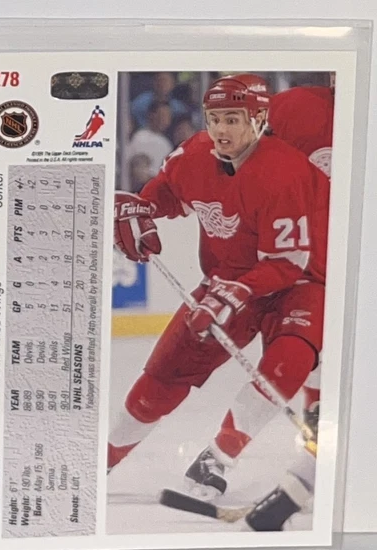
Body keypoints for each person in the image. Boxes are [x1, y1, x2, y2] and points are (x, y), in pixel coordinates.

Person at [107, 76, 328, 503]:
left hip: (301, 280)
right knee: (166, 371)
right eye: (214, 119)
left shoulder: (284, 172)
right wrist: (143, 208)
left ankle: (218, 458)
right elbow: (170, 191)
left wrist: (234, 293)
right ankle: (102, 459)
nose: (221, 130)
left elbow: (286, 263)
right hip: (227, 278)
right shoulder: (193, 154)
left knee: (289, 360)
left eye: (232, 119)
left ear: (259, 119)